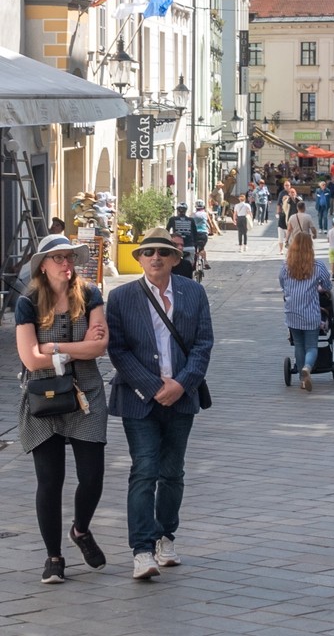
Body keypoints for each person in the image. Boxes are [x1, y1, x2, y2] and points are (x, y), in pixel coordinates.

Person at [106, 229, 213, 580]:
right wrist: (154, 386)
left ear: (174, 259)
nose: (155, 258)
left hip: (182, 397)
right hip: (140, 399)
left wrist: (182, 384)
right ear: (139, 258)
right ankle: (141, 550)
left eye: (163, 253)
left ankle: (165, 536)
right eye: (148, 252)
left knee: (172, 473)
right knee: (144, 470)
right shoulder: (121, 297)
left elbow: (203, 343)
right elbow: (118, 350)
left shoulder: (193, 292)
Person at [15, 235, 109, 584]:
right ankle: (54, 557)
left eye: (70, 257)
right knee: (50, 481)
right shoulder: (27, 302)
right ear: (43, 265)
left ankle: (80, 530)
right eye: (58, 259)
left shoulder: (90, 294)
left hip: (86, 394)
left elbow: (100, 346)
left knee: (92, 477)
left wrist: (51, 346)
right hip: (44, 396)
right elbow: (29, 358)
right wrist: (75, 348)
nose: (67, 264)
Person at [280, 233, 332, 392]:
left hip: (292, 312)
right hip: (310, 313)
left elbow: (282, 284)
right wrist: (320, 288)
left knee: (298, 344)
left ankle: (303, 380)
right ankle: (307, 368)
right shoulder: (318, 266)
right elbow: (328, 285)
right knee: (311, 346)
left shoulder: (286, 266)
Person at [191, 201, 212, 267]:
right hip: (203, 233)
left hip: (194, 234)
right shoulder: (206, 214)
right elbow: (210, 223)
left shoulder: (192, 215)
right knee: (202, 248)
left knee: (194, 248)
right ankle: (205, 262)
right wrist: (211, 231)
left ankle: (193, 262)